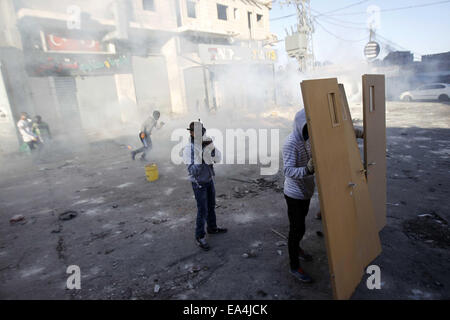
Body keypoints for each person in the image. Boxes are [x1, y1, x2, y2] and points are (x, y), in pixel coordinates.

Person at [282, 109, 363, 283]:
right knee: (297, 229)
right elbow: (287, 171)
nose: (309, 133)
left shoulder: (312, 139)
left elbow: (333, 136)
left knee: (300, 226)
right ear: (298, 127)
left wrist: (354, 132)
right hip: (294, 194)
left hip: (306, 190)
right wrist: (307, 169)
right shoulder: (290, 143)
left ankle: (297, 248)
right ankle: (294, 266)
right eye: (306, 129)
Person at [182, 121, 227, 251]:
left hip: (208, 180)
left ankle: (212, 228)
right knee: (202, 210)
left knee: (211, 205)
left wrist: (212, 149)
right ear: (191, 133)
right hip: (198, 184)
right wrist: (201, 156)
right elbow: (192, 171)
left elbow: (218, 159)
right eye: (196, 133)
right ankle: (199, 236)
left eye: (201, 132)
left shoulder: (205, 143)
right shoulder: (188, 149)